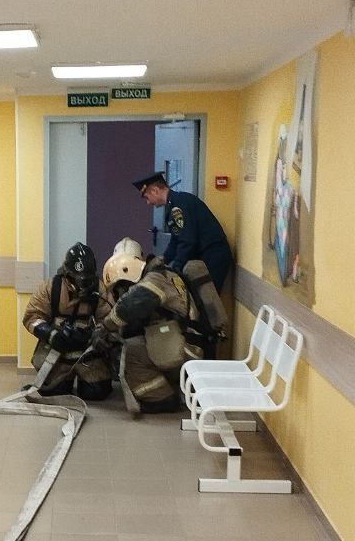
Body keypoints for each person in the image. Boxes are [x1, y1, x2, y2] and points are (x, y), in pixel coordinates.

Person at [96, 246, 202, 411]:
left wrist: (104, 327)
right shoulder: (162, 274)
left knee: (130, 353)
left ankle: (161, 398)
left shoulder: (154, 280)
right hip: (185, 341)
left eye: (123, 286)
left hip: (185, 347)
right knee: (134, 343)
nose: (124, 291)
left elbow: (129, 306)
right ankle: (169, 387)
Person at [22, 242, 112, 399]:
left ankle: (86, 379)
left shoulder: (100, 289)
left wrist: (93, 334)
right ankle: (62, 379)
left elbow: (109, 320)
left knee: (96, 392)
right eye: (76, 279)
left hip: (86, 352)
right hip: (57, 351)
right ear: (66, 273)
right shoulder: (51, 287)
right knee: (54, 392)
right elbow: (32, 316)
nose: (81, 284)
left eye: (86, 279)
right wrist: (51, 335)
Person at [132, 171, 233, 292]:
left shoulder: (179, 204)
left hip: (213, 257)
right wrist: (163, 260)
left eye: (147, 197)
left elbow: (188, 240)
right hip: (206, 256)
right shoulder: (173, 205)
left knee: (207, 298)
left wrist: (176, 268)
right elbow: (176, 240)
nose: (148, 202)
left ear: (155, 190)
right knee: (196, 297)